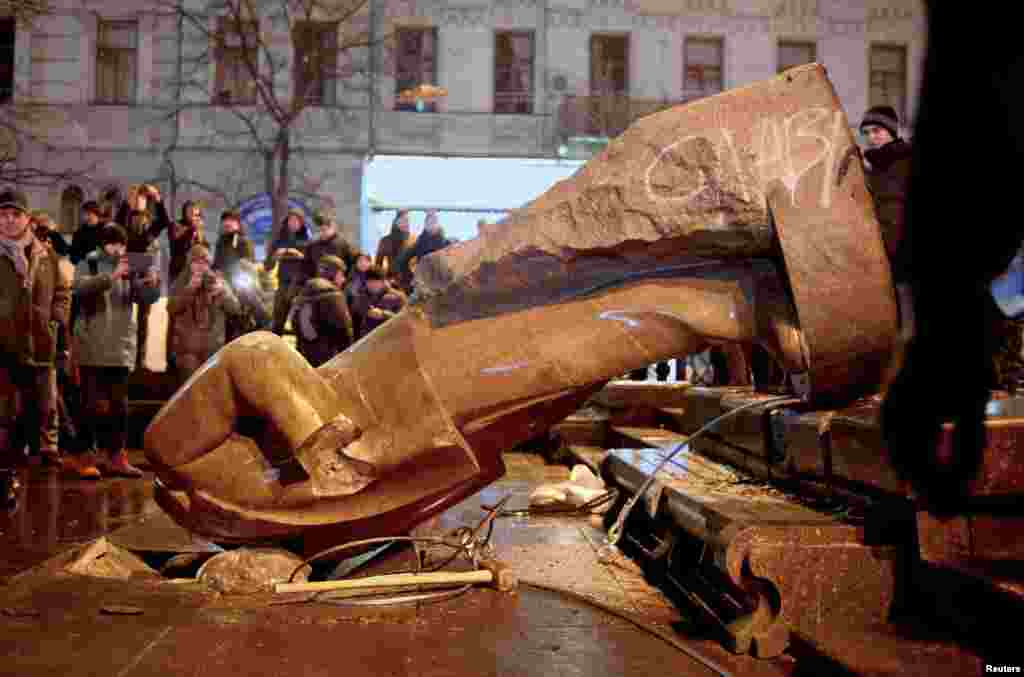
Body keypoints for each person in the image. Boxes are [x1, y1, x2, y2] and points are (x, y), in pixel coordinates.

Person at [0, 189, 72, 506]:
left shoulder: (47, 256)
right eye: (3, 214)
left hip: (38, 346)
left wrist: (55, 320)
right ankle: (7, 479)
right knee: (6, 415)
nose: (9, 219)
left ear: (27, 218)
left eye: (15, 214)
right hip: (3, 347)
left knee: (35, 414)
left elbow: (62, 292)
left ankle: (17, 476)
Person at [73, 224, 160, 478]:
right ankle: (86, 456)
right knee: (89, 405)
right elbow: (79, 289)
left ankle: (116, 456)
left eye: (121, 245)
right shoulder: (88, 263)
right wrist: (111, 276)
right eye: (113, 244)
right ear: (103, 245)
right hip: (92, 343)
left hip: (121, 344)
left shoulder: (130, 267)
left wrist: (151, 285)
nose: (118, 249)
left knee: (119, 406)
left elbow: (145, 299)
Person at [167, 243, 241, 380]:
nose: (200, 266)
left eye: (204, 262)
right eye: (196, 262)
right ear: (190, 263)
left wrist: (223, 293)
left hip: (213, 350)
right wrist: (190, 288)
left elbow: (235, 309)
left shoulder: (218, 281)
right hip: (187, 351)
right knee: (191, 390)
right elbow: (171, 308)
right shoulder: (181, 281)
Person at [860, 105, 913, 277]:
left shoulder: (906, 161)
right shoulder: (875, 166)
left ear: (891, 130)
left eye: (877, 131)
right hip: (879, 253)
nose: (871, 137)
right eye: (866, 133)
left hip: (902, 258)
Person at [290, 255, 354, 367]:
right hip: (329, 359)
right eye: (341, 275)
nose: (343, 279)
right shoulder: (333, 296)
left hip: (303, 358)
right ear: (332, 274)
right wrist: (349, 358)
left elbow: (295, 324)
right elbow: (344, 330)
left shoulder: (302, 295)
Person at [266, 208, 311, 335]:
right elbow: (268, 264)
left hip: (300, 286)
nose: (293, 223)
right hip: (283, 283)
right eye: (291, 220)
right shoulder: (280, 239)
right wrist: (276, 255)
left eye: (296, 220)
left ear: (302, 223)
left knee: (301, 322)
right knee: (277, 321)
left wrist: (299, 255)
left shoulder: (308, 240)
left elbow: (311, 263)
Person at [351, 265, 406, 341]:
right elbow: (355, 320)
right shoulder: (361, 297)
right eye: (369, 282)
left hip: (390, 339)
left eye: (376, 281)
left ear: (383, 281)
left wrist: (384, 315)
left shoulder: (398, 297)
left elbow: (405, 320)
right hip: (367, 340)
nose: (372, 285)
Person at [302, 210, 357, 279]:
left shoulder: (342, 244)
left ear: (333, 226)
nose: (323, 232)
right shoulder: (312, 245)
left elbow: (351, 264)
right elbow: (307, 265)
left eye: (326, 229)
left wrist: (344, 279)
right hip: (319, 282)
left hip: (338, 282)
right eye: (321, 230)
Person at [169, 200, 208, 284]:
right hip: (178, 269)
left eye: (196, 213)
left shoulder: (198, 228)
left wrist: (199, 232)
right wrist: (192, 228)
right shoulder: (175, 225)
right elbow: (176, 237)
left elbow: (204, 247)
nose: (193, 214)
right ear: (185, 212)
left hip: (194, 272)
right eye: (190, 211)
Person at [212, 209, 254, 279]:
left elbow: (249, 263)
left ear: (238, 224)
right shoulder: (220, 242)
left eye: (231, 220)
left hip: (239, 280)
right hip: (222, 281)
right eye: (225, 220)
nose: (227, 223)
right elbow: (216, 264)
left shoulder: (243, 241)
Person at [374, 209, 415, 282]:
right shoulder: (385, 241)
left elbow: (419, 261)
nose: (405, 224)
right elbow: (378, 264)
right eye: (402, 221)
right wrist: (381, 280)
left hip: (410, 280)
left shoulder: (413, 240)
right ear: (395, 222)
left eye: (407, 221)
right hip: (391, 279)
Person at [69, 200, 105, 265]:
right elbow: (73, 257)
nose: (86, 217)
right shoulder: (79, 232)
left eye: (89, 214)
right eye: (85, 214)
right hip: (84, 270)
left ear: (97, 213)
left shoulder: (107, 230)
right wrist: (84, 259)